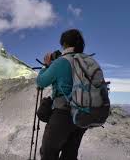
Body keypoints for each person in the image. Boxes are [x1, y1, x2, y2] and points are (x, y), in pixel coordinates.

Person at [36, 29, 87, 160]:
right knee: (70, 155)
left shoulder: (62, 62)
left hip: (63, 114)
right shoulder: (86, 62)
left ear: (64, 44)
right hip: (83, 116)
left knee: (48, 153)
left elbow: (41, 82)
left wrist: (46, 66)